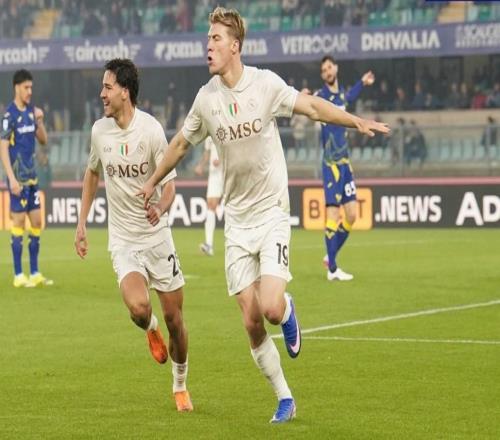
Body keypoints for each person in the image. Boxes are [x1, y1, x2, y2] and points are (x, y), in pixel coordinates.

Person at [138, 7, 389, 423]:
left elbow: (312, 106)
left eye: (216, 39)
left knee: (270, 308)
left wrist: (354, 121)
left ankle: (287, 310)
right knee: (252, 321)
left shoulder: (265, 84)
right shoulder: (206, 99)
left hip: (271, 211)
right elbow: (180, 144)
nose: (208, 46)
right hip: (236, 223)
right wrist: (152, 181)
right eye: (207, 39)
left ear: (235, 46)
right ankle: (285, 398)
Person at [74, 59, 193, 412]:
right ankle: (149, 327)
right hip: (124, 240)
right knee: (140, 309)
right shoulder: (99, 131)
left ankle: (180, 384)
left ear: (125, 92)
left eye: (107, 87)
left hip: (156, 238)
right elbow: (92, 173)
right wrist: (81, 223)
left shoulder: (151, 131)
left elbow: (169, 187)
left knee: (176, 320)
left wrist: (161, 209)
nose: (102, 94)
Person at [317, 55, 375, 281]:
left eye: (329, 67)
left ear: (336, 68)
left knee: (351, 215)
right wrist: (300, 95)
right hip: (331, 164)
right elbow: (306, 102)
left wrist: (362, 82)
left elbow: (349, 96)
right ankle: (332, 269)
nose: (327, 72)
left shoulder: (340, 96)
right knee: (333, 213)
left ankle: (330, 256)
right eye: (324, 70)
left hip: (345, 164)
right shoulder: (321, 97)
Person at [0, 69, 52, 288]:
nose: (30, 91)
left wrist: (40, 121)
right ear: (17, 88)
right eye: (26, 87)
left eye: (31, 87)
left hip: (32, 178)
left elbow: (44, 140)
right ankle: (19, 275)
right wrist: (11, 179)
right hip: (17, 180)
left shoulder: (32, 111)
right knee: (19, 223)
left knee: (37, 222)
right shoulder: (9, 116)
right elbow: (3, 148)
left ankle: (35, 272)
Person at [194, 136, 223, 256]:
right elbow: (207, 153)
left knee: (233, 204)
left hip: (227, 171)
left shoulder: (226, 129)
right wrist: (201, 165)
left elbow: (234, 149)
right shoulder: (209, 135)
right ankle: (209, 245)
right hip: (214, 174)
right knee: (210, 205)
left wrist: (222, 160)